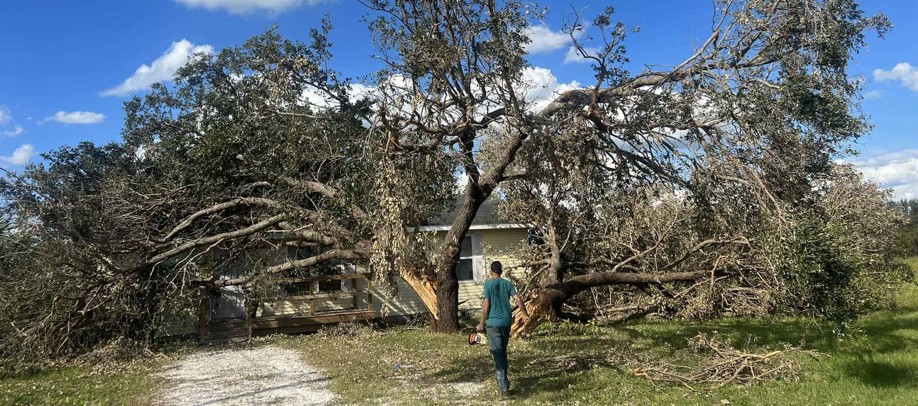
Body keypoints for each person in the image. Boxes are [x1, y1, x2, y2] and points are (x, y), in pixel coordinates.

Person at [477, 261, 530, 396]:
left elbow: (486, 305)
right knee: (502, 352)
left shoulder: (488, 284)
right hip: (506, 323)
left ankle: (504, 387)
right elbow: (518, 300)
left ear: (491, 271)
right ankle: (504, 381)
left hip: (493, 323)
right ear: (501, 271)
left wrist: (481, 323)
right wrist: (524, 314)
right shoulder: (507, 284)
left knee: (498, 353)